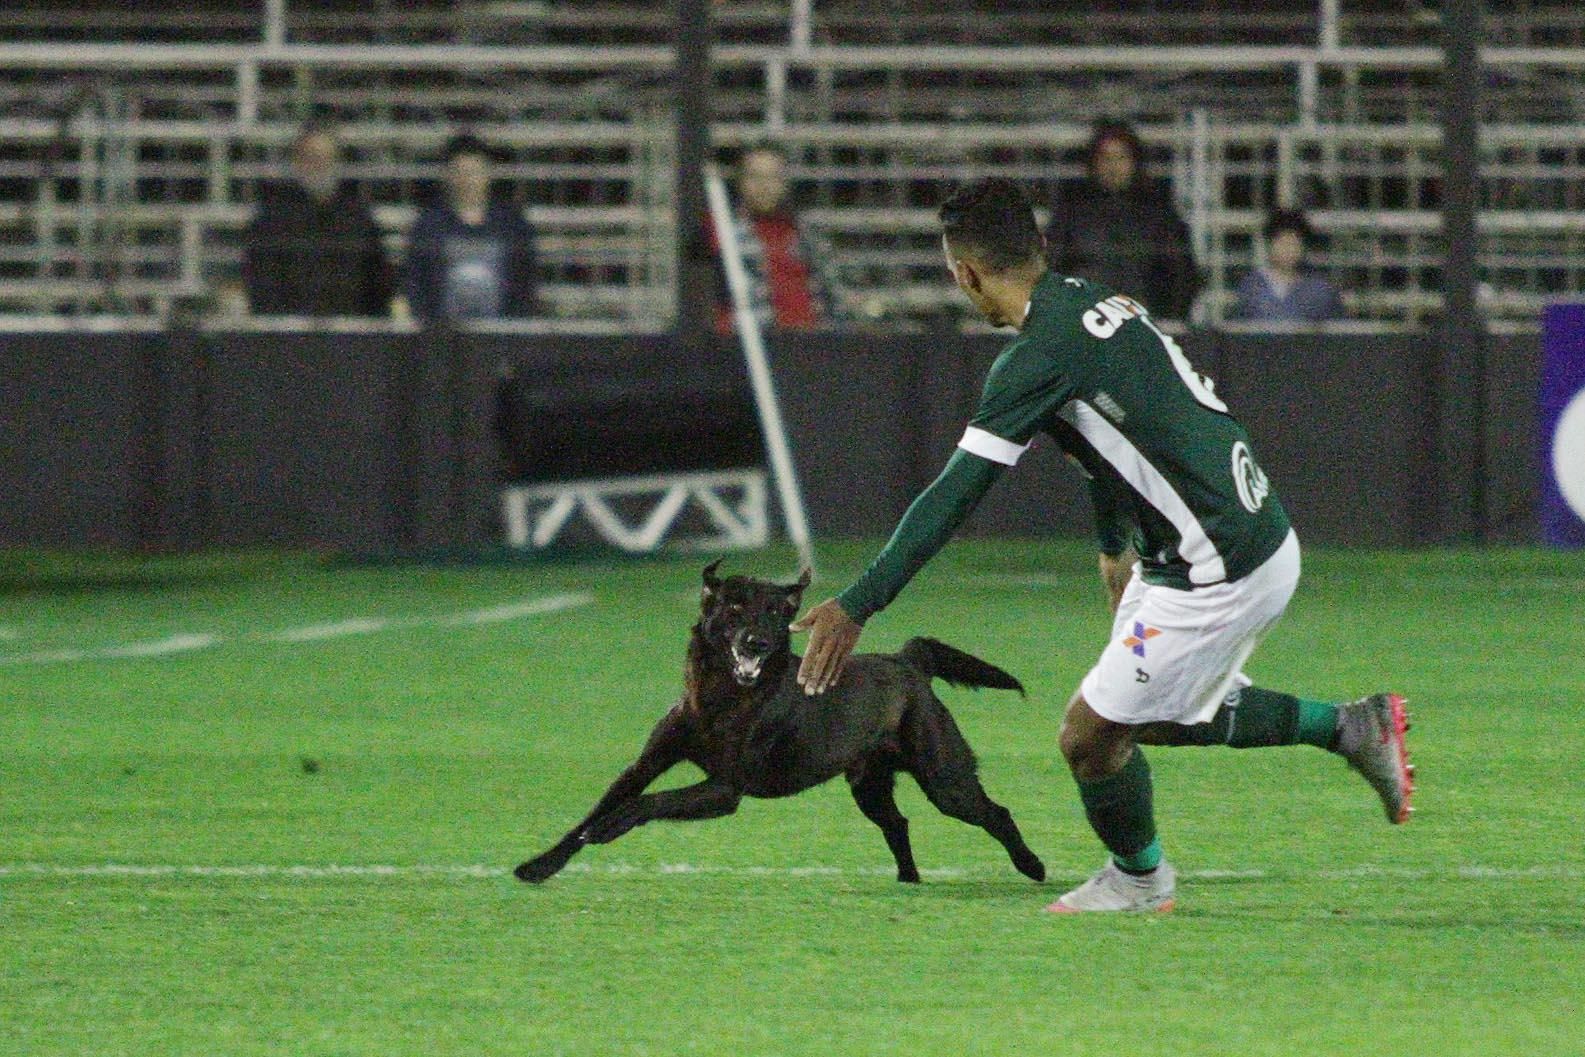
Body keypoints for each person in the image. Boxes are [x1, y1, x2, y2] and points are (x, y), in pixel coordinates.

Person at [791, 178, 1414, 913]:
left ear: (963, 273)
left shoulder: (1033, 357)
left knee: (1088, 736)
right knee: (1149, 713)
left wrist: (858, 603)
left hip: (1217, 565)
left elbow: (954, 492)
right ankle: (1352, 726)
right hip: (1217, 538)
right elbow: (1105, 440)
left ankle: (1139, 881)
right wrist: (1114, 546)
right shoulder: (1094, 302)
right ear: (1040, 248)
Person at [1043, 120, 1202, 321]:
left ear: (1135, 162)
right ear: (1093, 163)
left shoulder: (1160, 215)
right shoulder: (1071, 214)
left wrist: (1162, 315)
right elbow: (1050, 270)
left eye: (1121, 157)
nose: (1113, 166)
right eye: (1105, 158)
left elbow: (1182, 276)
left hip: (1146, 324)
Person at [241, 122, 395, 317]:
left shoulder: (359, 219)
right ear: (297, 161)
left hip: (350, 338)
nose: (319, 165)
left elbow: (378, 285)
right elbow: (261, 285)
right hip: (288, 337)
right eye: (311, 157)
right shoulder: (271, 220)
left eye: (326, 158)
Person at [400, 133, 539, 322]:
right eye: (459, 172)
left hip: (501, 337)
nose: (467, 181)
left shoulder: (512, 226)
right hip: (443, 338)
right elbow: (416, 283)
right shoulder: (428, 226)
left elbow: (525, 283)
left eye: (474, 172)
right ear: (447, 176)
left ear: (488, 174)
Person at [708, 142, 838, 331]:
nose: (764, 185)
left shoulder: (808, 236)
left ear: (784, 183)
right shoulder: (723, 234)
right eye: (755, 176)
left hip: (808, 345)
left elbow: (830, 297)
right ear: (741, 182)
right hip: (751, 344)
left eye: (773, 177)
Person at [1229, 208, 1345, 323]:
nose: (1288, 250)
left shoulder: (1320, 290)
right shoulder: (1252, 287)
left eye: (1294, 244)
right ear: (1269, 244)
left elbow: (1338, 332)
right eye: (1282, 243)